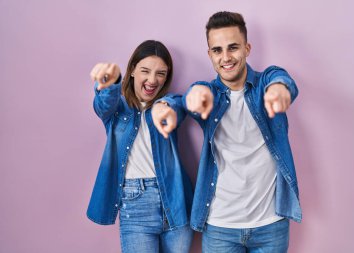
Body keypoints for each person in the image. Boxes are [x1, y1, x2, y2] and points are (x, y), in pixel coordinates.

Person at [183, 11, 302, 252]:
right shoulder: (209, 95)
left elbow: (279, 77)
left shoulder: (265, 84)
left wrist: (279, 89)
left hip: (271, 225)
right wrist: (194, 95)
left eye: (233, 47)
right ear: (209, 54)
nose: (226, 57)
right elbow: (196, 93)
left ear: (247, 48)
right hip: (219, 227)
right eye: (217, 50)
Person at [86, 40, 193, 253]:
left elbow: (178, 106)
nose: (153, 80)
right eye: (145, 71)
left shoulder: (169, 102)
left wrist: (165, 108)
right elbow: (103, 104)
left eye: (160, 73)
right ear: (133, 69)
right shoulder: (117, 110)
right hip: (135, 205)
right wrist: (112, 83)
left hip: (176, 200)